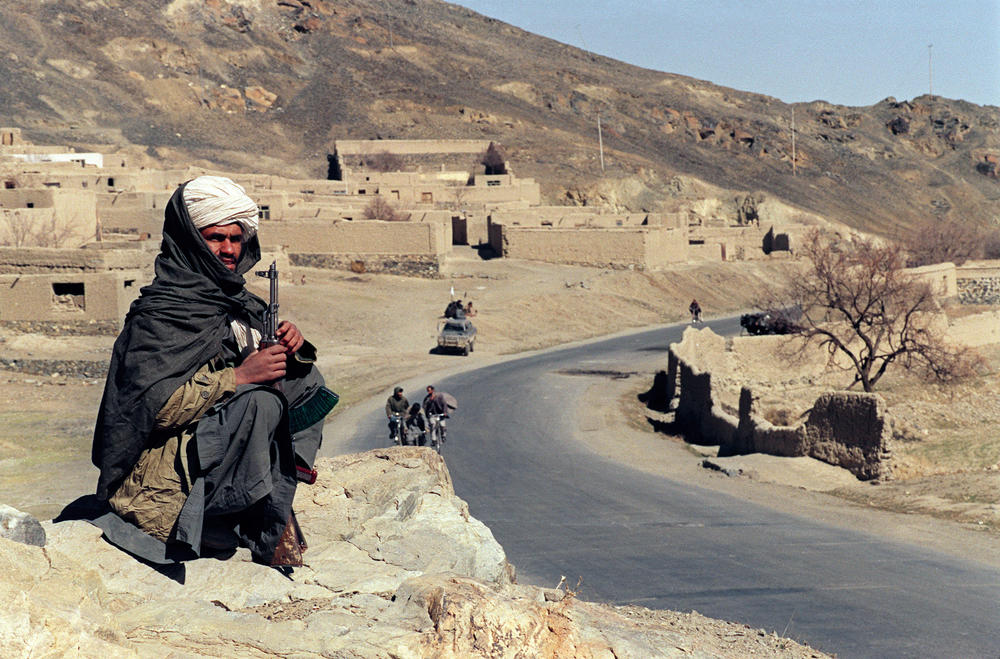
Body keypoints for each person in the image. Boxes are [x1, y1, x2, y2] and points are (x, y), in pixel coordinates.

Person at [91, 175, 336, 567]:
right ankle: (217, 517)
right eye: (215, 237)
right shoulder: (161, 314)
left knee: (305, 381)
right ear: (189, 239)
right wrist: (239, 377)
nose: (228, 249)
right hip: (165, 463)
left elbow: (267, 365)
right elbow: (155, 410)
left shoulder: (235, 301)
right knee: (260, 402)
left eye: (236, 239)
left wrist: (292, 348)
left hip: (214, 438)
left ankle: (274, 491)